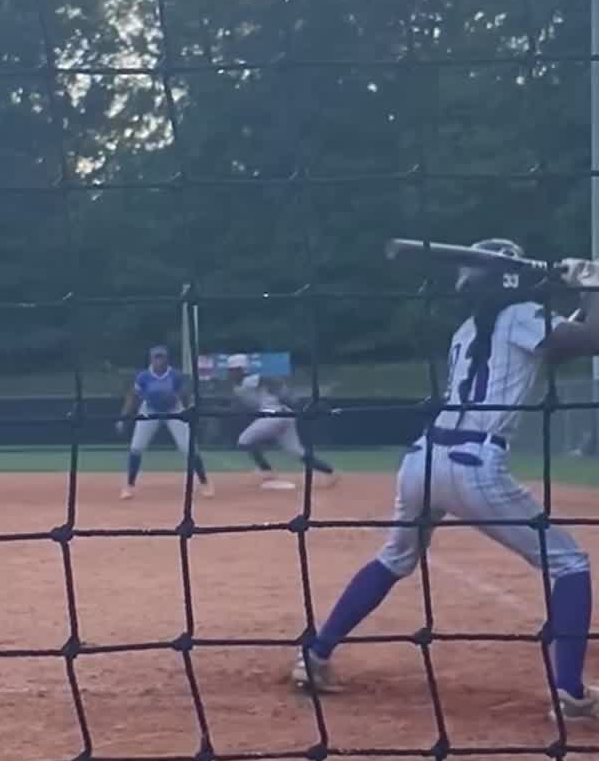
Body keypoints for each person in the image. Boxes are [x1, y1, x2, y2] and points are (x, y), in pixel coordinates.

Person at [292, 239, 599, 720]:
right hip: (474, 465)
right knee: (570, 565)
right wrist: (592, 286)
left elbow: (564, 345)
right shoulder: (521, 315)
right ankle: (569, 693)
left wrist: (584, 294)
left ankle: (317, 654)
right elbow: (589, 340)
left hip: (423, 460)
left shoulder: (467, 330)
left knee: (394, 558)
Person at [117, 345, 213, 499]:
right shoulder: (144, 376)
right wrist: (123, 417)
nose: (159, 361)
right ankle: (129, 486)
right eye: (156, 357)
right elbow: (133, 396)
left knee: (189, 447)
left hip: (173, 410)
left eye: (162, 357)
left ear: (167, 359)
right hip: (150, 410)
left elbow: (185, 393)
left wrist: (188, 410)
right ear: (151, 359)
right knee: (136, 447)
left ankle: (204, 483)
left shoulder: (175, 375)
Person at [229, 355, 337, 491]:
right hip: (284, 416)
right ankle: (330, 472)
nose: (231, 373)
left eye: (235, 370)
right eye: (231, 370)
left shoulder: (249, 380)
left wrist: (287, 395)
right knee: (297, 451)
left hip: (275, 415)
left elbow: (270, 380)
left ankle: (266, 471)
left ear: (243, 369)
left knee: (244, 441)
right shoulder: (238, 386)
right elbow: (240, 404)